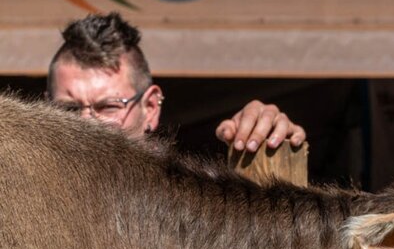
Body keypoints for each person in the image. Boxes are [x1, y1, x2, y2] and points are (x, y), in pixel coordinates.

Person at [45, 12, 304, 151]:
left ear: (151, 108)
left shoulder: (187, 200)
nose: (85, 123)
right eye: (68, 109)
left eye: (109, 107)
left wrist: (263, 145)